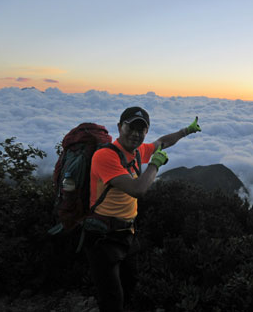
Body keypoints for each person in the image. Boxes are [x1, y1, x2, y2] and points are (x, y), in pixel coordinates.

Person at [84, 106, 201, 312]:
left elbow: (162, 142)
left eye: (142, 129)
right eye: (131, 127)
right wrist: (155, 165)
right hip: (102, 237)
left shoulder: (138, 152)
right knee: (112, 299)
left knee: (130, 287)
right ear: (120, 127)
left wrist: (185, 131)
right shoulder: (105, 157)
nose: (136, 134)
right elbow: (137, 190)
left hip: (126, 234)